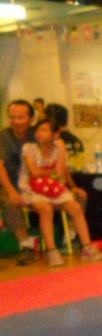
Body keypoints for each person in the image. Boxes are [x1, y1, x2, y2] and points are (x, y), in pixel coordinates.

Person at [19, 119, 102, 266]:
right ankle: (52, 251)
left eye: (44, 130)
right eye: (38, 130)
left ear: (55, 134)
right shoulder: (29, 148)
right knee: (46, 209)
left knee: (76, 208)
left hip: (54, 188)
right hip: (32, 189)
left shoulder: (58, 150)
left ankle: (87, 247)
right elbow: (35, 172)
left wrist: (62, 151)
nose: (39, 133)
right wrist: (53, 172)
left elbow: (61, 172)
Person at [0, 100, 38, 265]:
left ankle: (70, 239)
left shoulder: (37, 135)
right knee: (10, 203)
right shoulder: (3, 137)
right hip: (9, 183)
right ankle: (27, 247)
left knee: (77, 196)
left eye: (20, 118)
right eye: (12, 117)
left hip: (35, 183)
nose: (15, 121)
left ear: (31, 119)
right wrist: (11, 191)